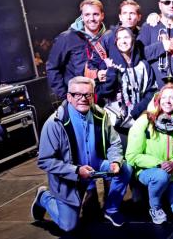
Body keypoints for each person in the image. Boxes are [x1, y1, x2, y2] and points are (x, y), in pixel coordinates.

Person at [32, 76, 132, 230]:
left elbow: (114, 142)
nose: (83, 99)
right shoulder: (54, 123)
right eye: (77, 95)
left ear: (93, 96)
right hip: (71, 176)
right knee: (68, 226)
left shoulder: (101, 115)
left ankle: (111, 209)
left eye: (87, 94)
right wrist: (77, 171)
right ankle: (43, 197)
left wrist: (115, 161)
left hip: (97, 166)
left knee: (125, 169)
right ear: (69, 97)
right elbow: (45, 160)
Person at [125, 83, 173, 224]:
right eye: (164, 97)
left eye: (172, 98)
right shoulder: (144, 121)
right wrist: (159, 164)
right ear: (158, 99)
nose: (168, 101)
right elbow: (132, 156)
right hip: (149, 171)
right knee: (161, 176)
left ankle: (164, 193)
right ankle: (155, 207)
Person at [95, 26, 157, 138]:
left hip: (139, 120)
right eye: (119, 38)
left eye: (126, 37)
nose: (123, 41)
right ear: (115, 42)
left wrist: (137, 110)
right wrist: (112, 73)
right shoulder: (107, 65)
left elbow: (152, 91)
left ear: (132, 40)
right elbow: (101, 93)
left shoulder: (143, 65)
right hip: (114, 123)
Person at [46, 0, 108, 100]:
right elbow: (52, 68)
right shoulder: (67, 38)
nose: (92, 18)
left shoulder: (108, 38)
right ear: (82, 17)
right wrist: (66, 96)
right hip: (78, 100)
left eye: (96, 14)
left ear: (102, 15)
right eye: (87, 15)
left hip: (104, 98)